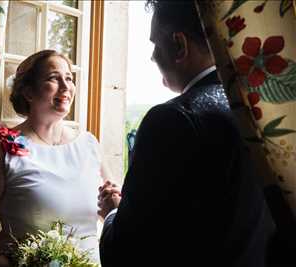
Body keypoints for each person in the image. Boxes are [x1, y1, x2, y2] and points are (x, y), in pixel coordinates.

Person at [98, 1, 274, 267]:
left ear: (179, 45)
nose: (152, 56)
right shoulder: (262, 109)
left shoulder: (173, 119)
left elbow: (127, 250)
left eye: (155, 43)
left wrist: (114, 214)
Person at [0, 49, 115, 267]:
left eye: (69, 78)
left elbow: (113, 217)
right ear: (28, 92)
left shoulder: (89, 144)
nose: (66, 86)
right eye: (53, 78)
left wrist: (114, 209)